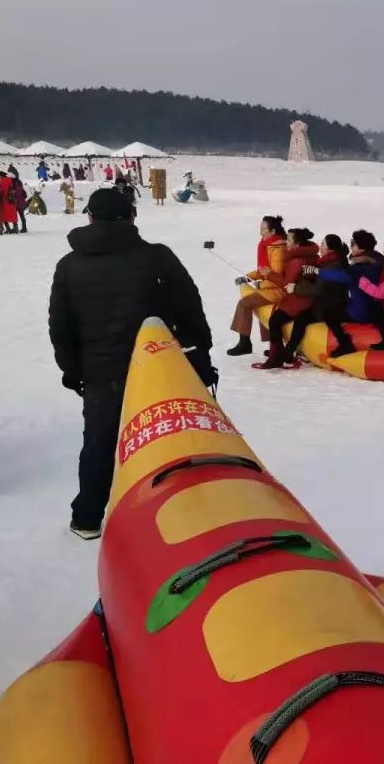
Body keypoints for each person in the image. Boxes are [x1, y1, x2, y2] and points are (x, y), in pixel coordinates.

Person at [48, 189, 214, 539]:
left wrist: (71, 369)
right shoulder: (157, 257)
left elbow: (61, 326)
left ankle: (88, 517)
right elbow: (189, 308)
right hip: (162, 368)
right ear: (132, 217)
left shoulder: (69, 265)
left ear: (90, 217)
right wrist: (200, 354)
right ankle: (182, 514)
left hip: (100, 373)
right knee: (173, 438)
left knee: (100, 443)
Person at [304, 230, 384, 357]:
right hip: (374, 308)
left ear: (362, 247)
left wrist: (317, 271)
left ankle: (345, 343)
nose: (350, 245)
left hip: (361, 311)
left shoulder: (360, 267)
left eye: (353, 243)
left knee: (328, 314)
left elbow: (343, 276)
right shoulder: (377, 260)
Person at [257, 228, 320, 369]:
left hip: (298, 301)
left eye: (289, 240)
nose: (286, 242)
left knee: (274, 321)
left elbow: (286, 283)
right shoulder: (312, 255)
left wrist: (269, 274)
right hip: (307, 299)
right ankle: (282, 351)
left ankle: (276, 357)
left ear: (297, 244)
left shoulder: (296, 261)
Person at [225, 216, 288, 356]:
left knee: (244, 304)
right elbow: (263, 271)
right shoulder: (268, 245)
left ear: (272, 231)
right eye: (260, 229)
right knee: (258, 307)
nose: (261, 232)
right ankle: (273, 345)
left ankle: (244, 343)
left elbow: (274, 273)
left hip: (278, 289)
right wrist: (247, 277)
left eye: (263, 229)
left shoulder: (278, 248)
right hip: (269, 286)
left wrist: (261, 282)